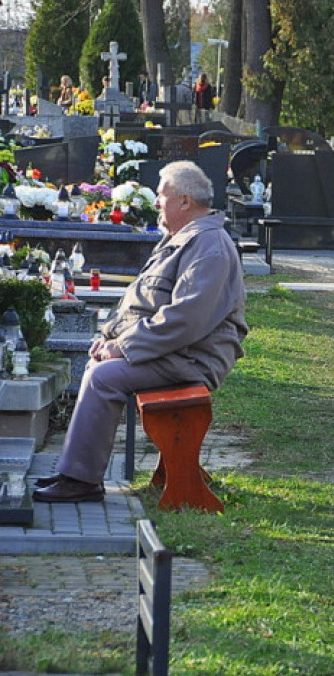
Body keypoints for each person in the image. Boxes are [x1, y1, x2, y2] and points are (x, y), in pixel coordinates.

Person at [33, 161, 248, 503]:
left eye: (162, 195)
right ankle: (75, 472)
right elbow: (139, 302)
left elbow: (186, 318)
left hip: (192, 358)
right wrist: (109, 337)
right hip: (171, 352)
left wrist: (125, 346)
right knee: (98, 368)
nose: (156, 202)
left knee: (104, 377)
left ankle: (82, 480)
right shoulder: (181, 239)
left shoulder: (209, 245)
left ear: (184, 201)